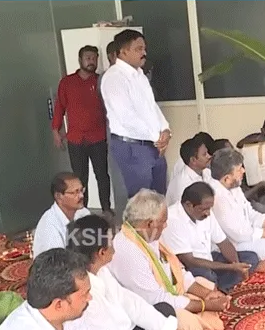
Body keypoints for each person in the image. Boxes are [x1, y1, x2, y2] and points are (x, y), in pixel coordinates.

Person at [67, 215, 204, 330]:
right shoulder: (83, 294)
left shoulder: (101, 271)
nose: (115, 249)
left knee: (164, 310)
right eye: (112, 244)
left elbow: (131, 303)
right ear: (101, 253)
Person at [106, 189, 228, 330]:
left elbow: (177, 272)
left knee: (206, 284)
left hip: (169, 294)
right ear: (150, 223)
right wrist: (204, 305)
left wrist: (207, 295)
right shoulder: (129, 250)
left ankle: (208, 329)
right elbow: (156, 300)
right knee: (189, 322)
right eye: (163, 221)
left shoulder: (148, 236)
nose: (165, 226)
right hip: (151, 310)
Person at [101, 29, 172, 197]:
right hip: (133, 146)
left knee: (159, 198)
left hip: (152, 145)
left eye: (144, 48)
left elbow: (151, 107)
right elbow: (126, 117)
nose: (144, 53)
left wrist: (166, 130)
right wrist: (157, 138)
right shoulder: (114, 77)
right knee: (141, 202)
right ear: (123, 51)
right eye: (138, 49)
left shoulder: (139, 75)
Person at [161, 182, 260, 293]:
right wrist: (230, 268)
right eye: (203, 209)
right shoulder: (173, 220)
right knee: (207, 276)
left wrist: (237, 265)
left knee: (251, 258)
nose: (208, 213)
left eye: (210, 208)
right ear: (189, 205)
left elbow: (223, 243)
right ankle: (216, 286)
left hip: (210, 259)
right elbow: (189, 261)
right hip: (190, 268)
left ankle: (218, 287)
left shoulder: (206, 212)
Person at [51, 45, 112, 214]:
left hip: (98, 137)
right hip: (76, 139)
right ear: (80, 60)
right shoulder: (67, 82)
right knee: (79, 178)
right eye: (88, 58)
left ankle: (106, 209)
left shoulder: (101, 81)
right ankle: (81, 211)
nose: (91, 61)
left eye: (94, 58)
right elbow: (59, 108)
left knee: (102, 175)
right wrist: (56, 130)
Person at [32, 172, 92, 258]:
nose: (81, 196)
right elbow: (57, 265)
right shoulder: (49, 227)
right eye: (75, 192)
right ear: (59, 196)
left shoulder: (83, 213)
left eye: (82, 190)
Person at [165, 137, 211, 206]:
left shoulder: (207, 172)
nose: (209, 156)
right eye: (204, 154)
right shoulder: (182, 184)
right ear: (193, 160)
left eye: (207, 152)